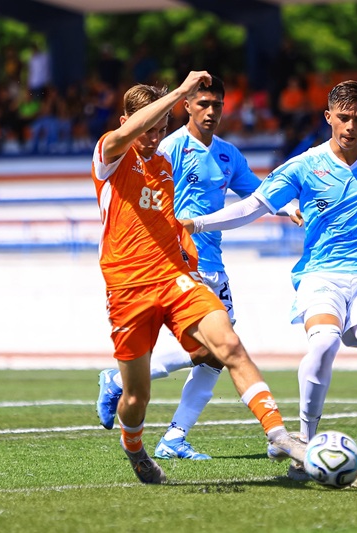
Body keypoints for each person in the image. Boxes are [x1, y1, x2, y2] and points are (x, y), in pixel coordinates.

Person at [181, 80, 357, 479]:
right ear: (328, 117)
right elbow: (252, 206)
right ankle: (304, 445)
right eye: (343, 117)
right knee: (323, 344)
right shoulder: (303, 165)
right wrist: (196, 223)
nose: (350, 126)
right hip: (321, 276)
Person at [90, 70, 305, 484]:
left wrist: (284, 206)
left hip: (177, 277)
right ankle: (134, 446)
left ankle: (279, 435)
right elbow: (129, 136)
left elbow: (238, 199)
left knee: (228, 345)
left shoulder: (165, 167)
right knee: (136, 397)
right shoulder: (110, 155)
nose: (155, 138)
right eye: (149, 129)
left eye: (161, 129)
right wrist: (180, 92)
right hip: (128, 288)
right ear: (126, 123)